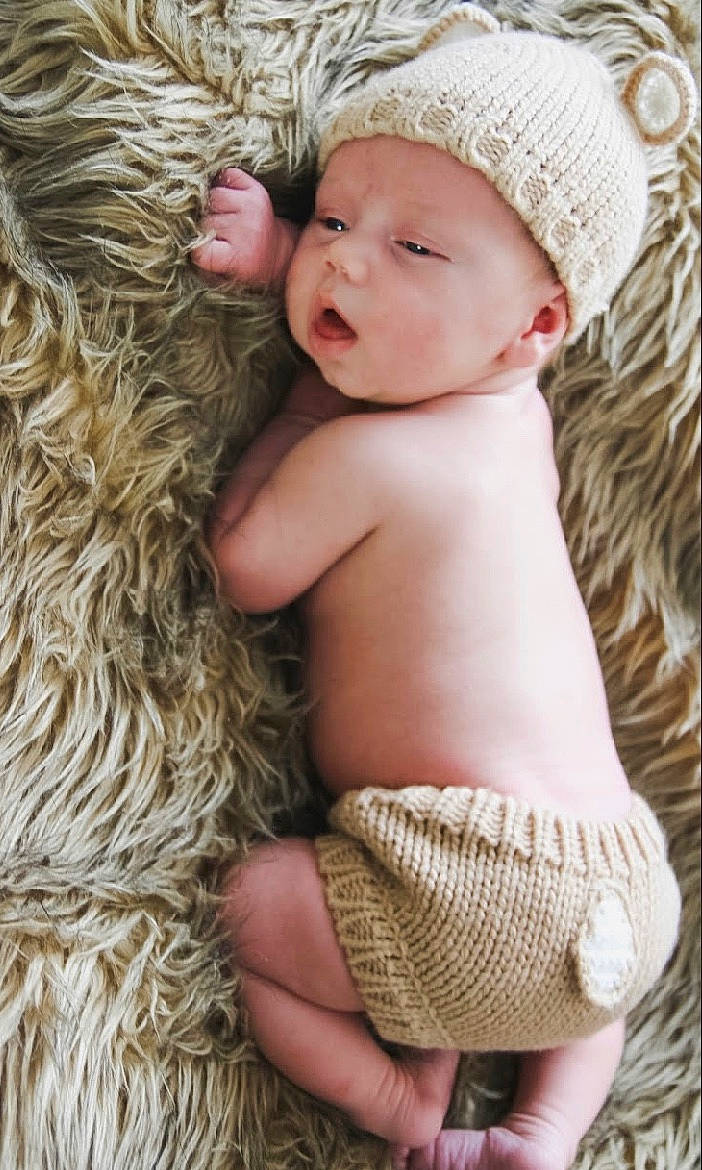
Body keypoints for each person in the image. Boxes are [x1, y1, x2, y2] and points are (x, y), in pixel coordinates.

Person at [192, 8, 695, 1168]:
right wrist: (299, 268)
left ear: (536, 324)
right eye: (330, 215)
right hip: (622, 887)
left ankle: (401, 1102)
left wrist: (313, 404)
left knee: (252, 904)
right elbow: (402, 334)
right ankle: (545, 1125)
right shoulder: (519, 423)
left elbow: (244, 565)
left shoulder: (369, 457)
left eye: (414, 250)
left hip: (465, 896)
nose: (347, 260)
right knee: (583, 981)